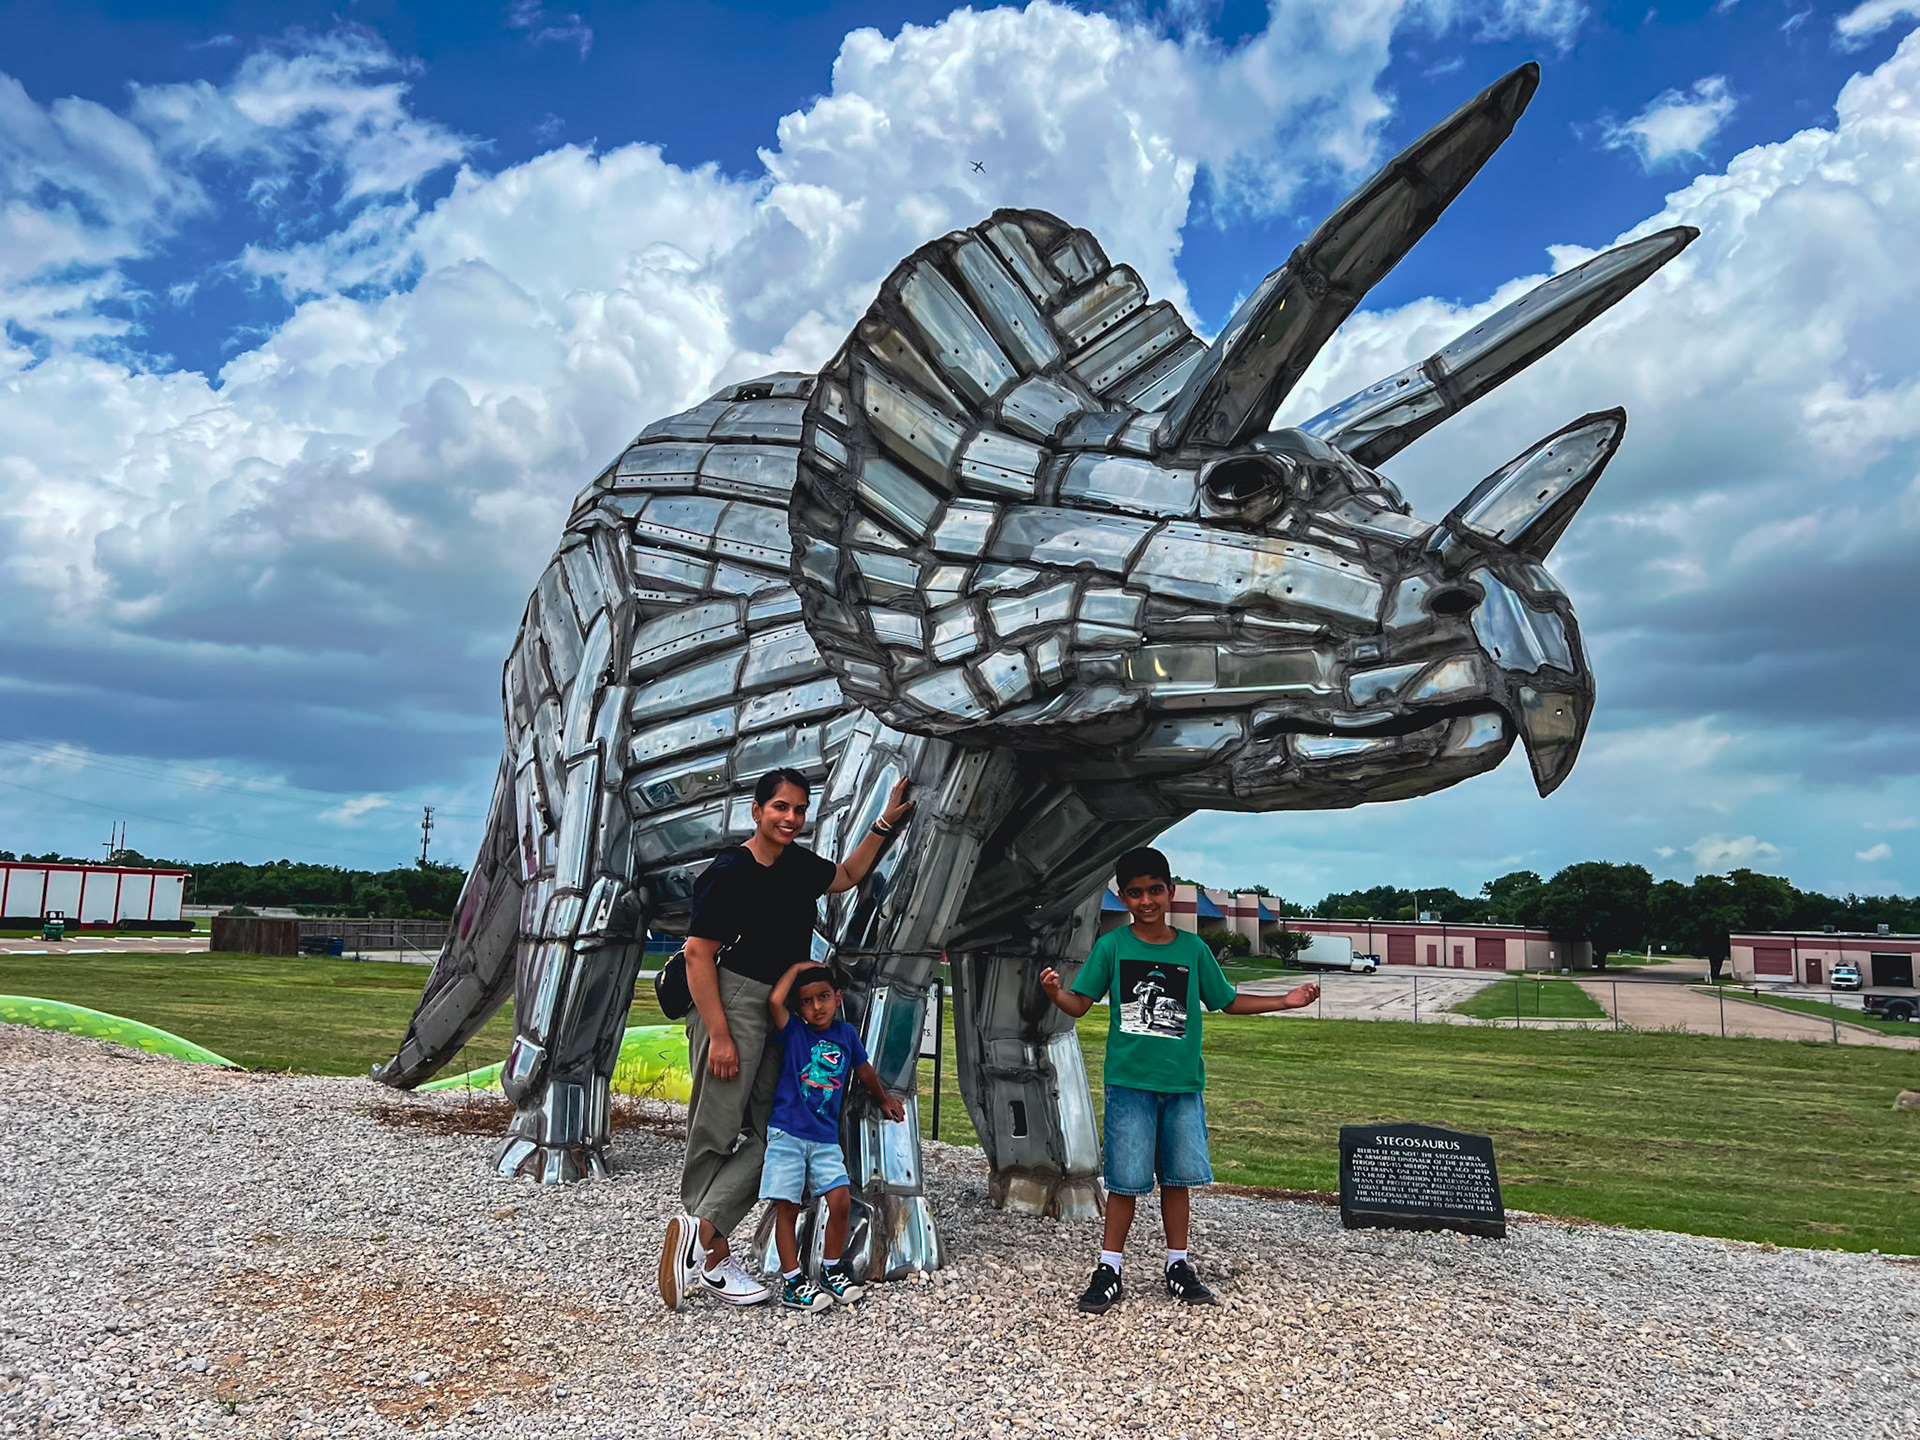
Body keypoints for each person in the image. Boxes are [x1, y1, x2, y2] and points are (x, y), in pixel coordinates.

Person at [657, 767, 913, 1310]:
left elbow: (844, 875)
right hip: (731, 1002)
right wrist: (721, 1036)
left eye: (799, 810)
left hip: (782, 1011)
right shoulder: (731, 872)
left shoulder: (798, 865)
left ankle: (698, 1232)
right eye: (780, 808)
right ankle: (713, 1257)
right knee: (718, 1127)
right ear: (756, 810)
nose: (791, 819)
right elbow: (698, 954)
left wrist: (887, 821)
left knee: (774, 1131)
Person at [1039, 847, 1319, 1315]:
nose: (1146, 901)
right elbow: (1080, 1005)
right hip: (1129, 1083)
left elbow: (1226, 1001)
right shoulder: (1112, 947)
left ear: (1170, 891)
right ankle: (1109, 1268)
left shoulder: (1193, 949)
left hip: (1183, 1085)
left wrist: (1285, 1001)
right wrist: (1056, 994)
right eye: (1134, 893)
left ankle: (1178, 1263)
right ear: (1123, 898)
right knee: (1125, 1181)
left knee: (1177, 1178)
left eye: (1154, 890)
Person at [759, 961, 905, 1311]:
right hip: (788, 1133)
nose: (816, 1007)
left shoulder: (845, 1035)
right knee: (788, 1205)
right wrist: (795, 967)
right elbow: (775, 1003)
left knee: (839, 1200)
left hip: (824, 1138)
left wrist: (882, 1098)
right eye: (807, 1001)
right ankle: (793, 1282)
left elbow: (864, 1070)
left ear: (838, 997)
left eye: (823, 997)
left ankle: (830, 1270)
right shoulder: (794, 1031)